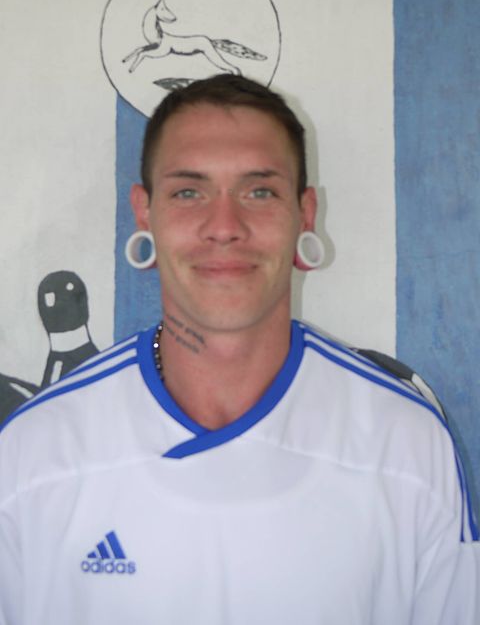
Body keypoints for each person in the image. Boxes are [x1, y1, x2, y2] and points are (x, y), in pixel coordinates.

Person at [0, 74, 478, 624]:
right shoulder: (35, 451)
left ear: (305, 213)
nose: (224, 227)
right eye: (188, 192)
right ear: (144, 213)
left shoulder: (406, 444)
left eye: (259, 191)